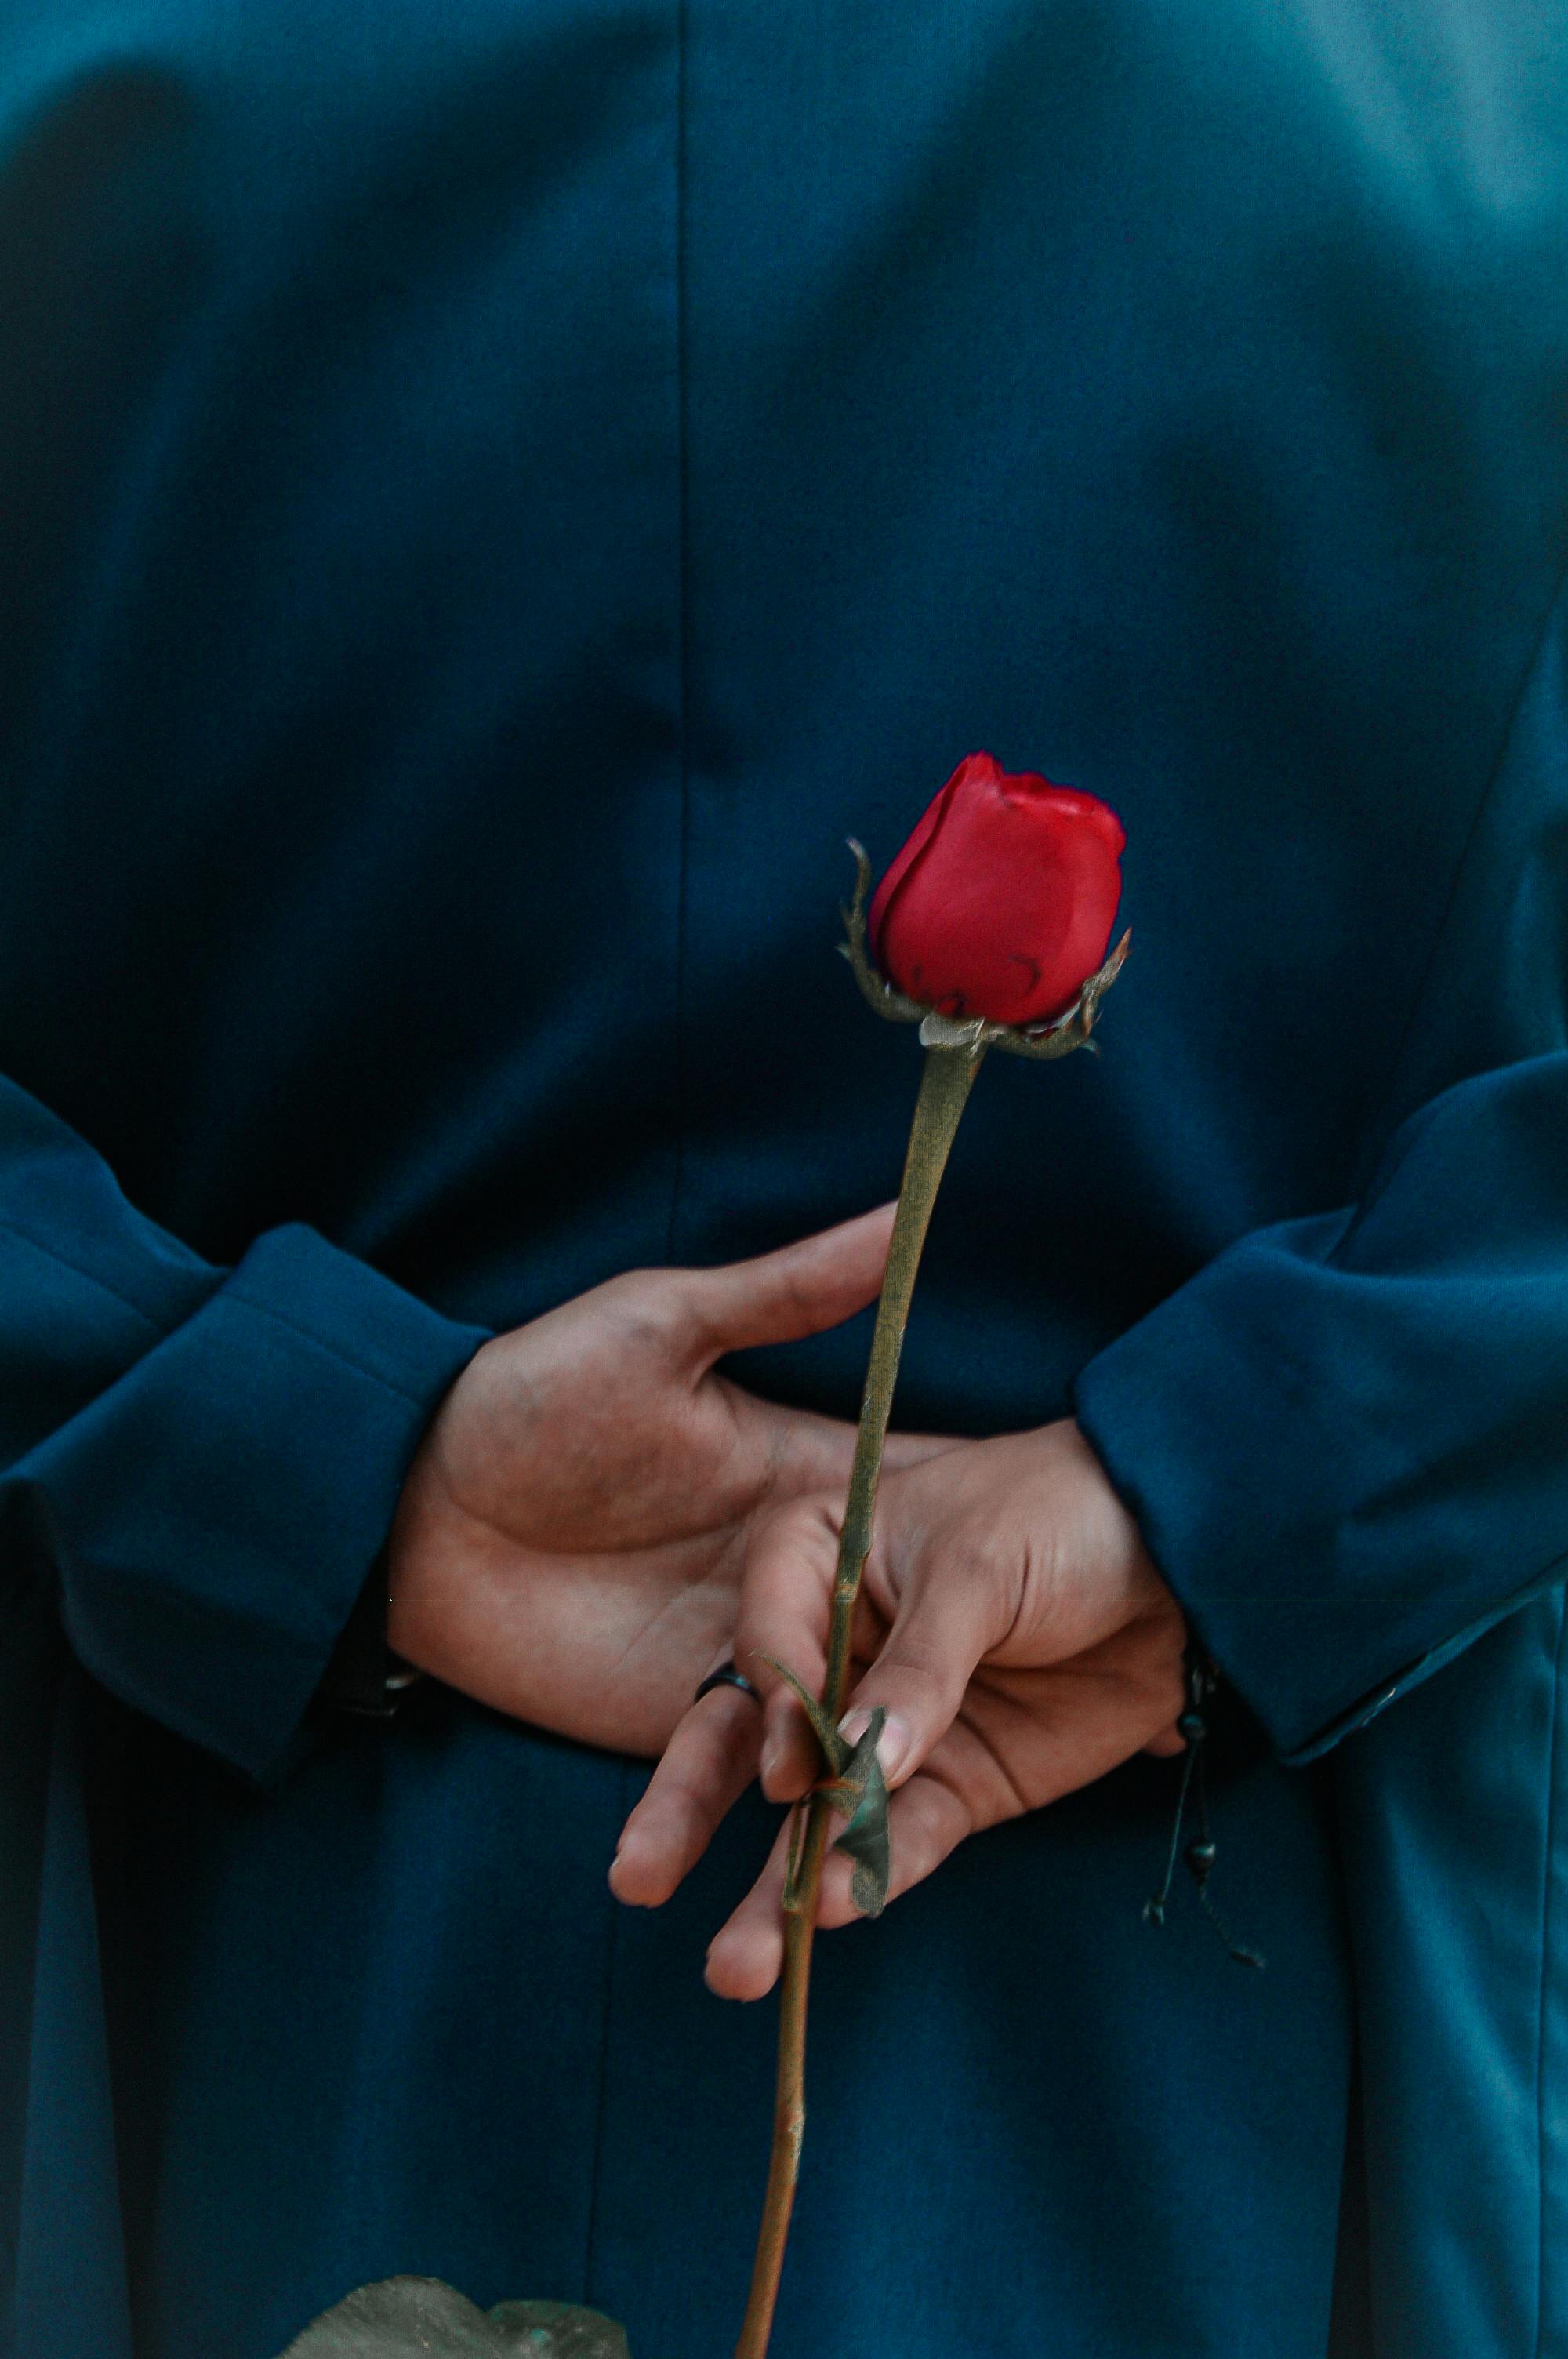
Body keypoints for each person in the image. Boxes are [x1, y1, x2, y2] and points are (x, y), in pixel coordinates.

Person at [2, 3, 1565, 2355]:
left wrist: (282, 1446)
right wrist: (1247, 1479)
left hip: (208, 1934)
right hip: (1216, 2008)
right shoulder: (1492, 111)